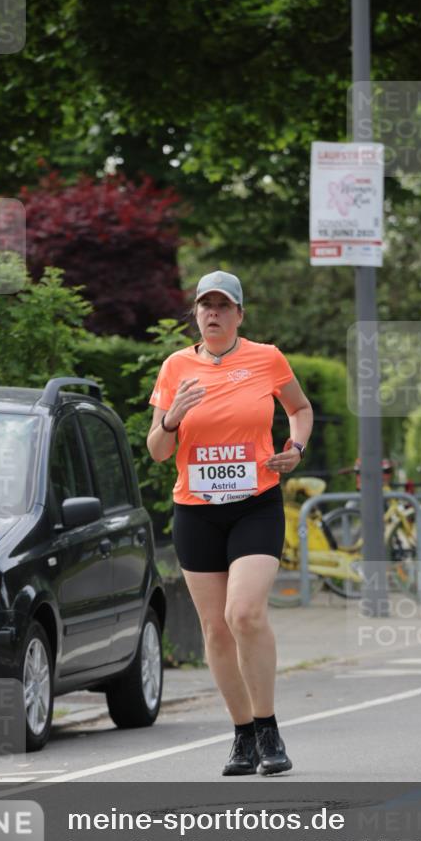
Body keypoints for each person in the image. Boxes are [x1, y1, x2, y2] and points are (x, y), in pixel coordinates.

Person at [147, 270, 313, 776]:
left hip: (255, 503)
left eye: (223, 305)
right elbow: (157, 451)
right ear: (195, 314)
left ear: (240, 314)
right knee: (215, 629)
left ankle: (268, 728)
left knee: (244, 614)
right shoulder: (175, 366)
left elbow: (300, 409)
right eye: (205, 306)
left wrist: (295, 448)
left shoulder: (267, 358)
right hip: (196, 511)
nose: (213, 313)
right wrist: (171, 416)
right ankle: (242, 736)